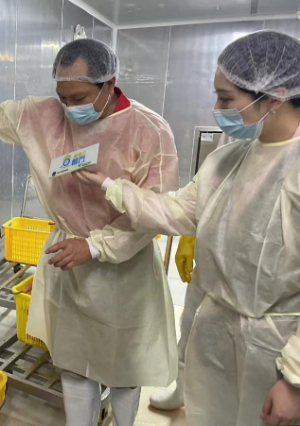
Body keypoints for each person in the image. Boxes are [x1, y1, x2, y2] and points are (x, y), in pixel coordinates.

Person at [0, 39, 179, 426]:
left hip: (124, 271)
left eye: (79, 97)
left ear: (110, 84)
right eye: (63, 97)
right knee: (74, 363)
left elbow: (153, 211)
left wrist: (95, 246)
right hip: (68, 264)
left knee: (124, 368)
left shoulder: (150, 131)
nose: (69, 107)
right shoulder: (43, 116)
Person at [74, 30, 300, 426]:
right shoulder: (228, 158)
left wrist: (295, 379)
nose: (217, 109)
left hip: (276, 348)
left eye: (226, 99)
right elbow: (178, 211)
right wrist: (111, 186)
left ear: (276, 96)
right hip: (216, 330)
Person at [150, 134, 237, 411]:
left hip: (254, 281)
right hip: (210, 258)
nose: (222, 113)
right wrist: (190, 236)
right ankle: (183, 389)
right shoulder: (235, 135)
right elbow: (212, 184)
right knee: (189, 325)